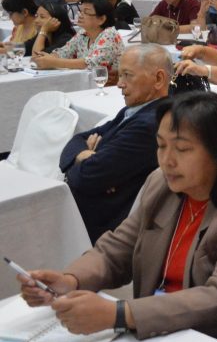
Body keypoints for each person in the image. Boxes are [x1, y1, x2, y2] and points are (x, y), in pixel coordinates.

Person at [19, 91, 217, 341]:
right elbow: (116, 250)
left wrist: (120, 314)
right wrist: (70, 280)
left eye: (182, 149)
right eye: (161, 146)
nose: (167, 160)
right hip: (154, 333)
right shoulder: (162, 185)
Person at [58, 45, 172, 242]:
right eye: (120, 75)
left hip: (98, 226)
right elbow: (78, 139)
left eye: (128, 75)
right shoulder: (137, 109)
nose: (119, 84)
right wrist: (84, 155)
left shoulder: (149, 124)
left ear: (159, 79)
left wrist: (87, 160)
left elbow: (86, 177)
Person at [33, 0, 124, 82]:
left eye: (86, 12)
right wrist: (45, 58)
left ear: (101, 19)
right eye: (80, 11)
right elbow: (63, 53)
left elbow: (91, 63)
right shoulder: (82, 33)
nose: (80, 15)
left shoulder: (110, 34)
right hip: (87, 83)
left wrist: (53, 62)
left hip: (110, 86)